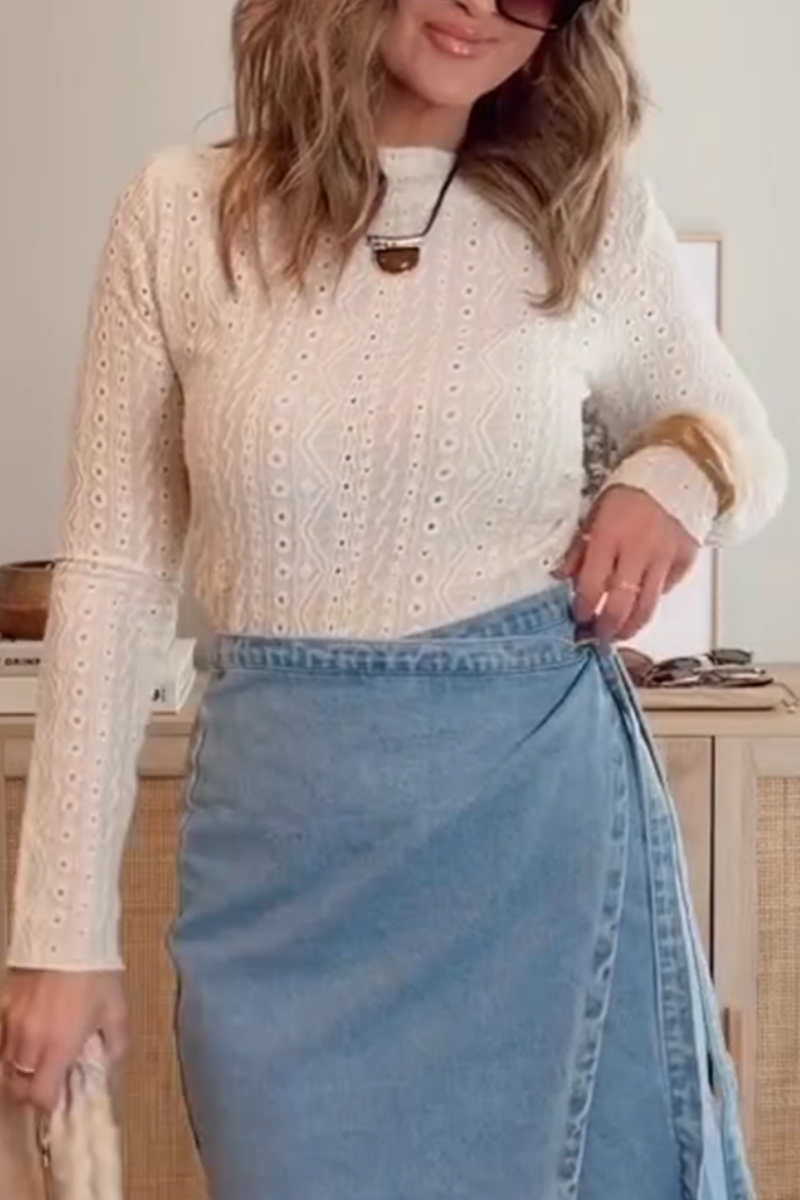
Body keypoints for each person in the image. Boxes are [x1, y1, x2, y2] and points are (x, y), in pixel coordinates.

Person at [0, 0, 787, 1197]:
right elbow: (110, 580)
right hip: (281, 856)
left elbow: (740, 440)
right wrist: (60, 937)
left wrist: (669, 479)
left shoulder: (588, 217)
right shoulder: (177, 214)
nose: (482, 9)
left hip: (535, 833)